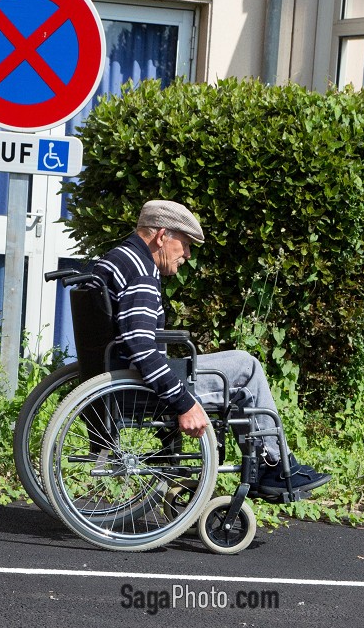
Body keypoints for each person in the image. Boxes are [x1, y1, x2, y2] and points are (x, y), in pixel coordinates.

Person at [92, 200, 330, 501]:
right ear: (162, 236)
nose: (188, 255)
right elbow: (140, 345)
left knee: (238, 363)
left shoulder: (115, 259)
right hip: (140, 386)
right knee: (245, 367)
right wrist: (184, 403)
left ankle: (268, 463)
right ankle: (272, 466)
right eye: (186, 244)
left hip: (119, 376)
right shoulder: (141, 272)